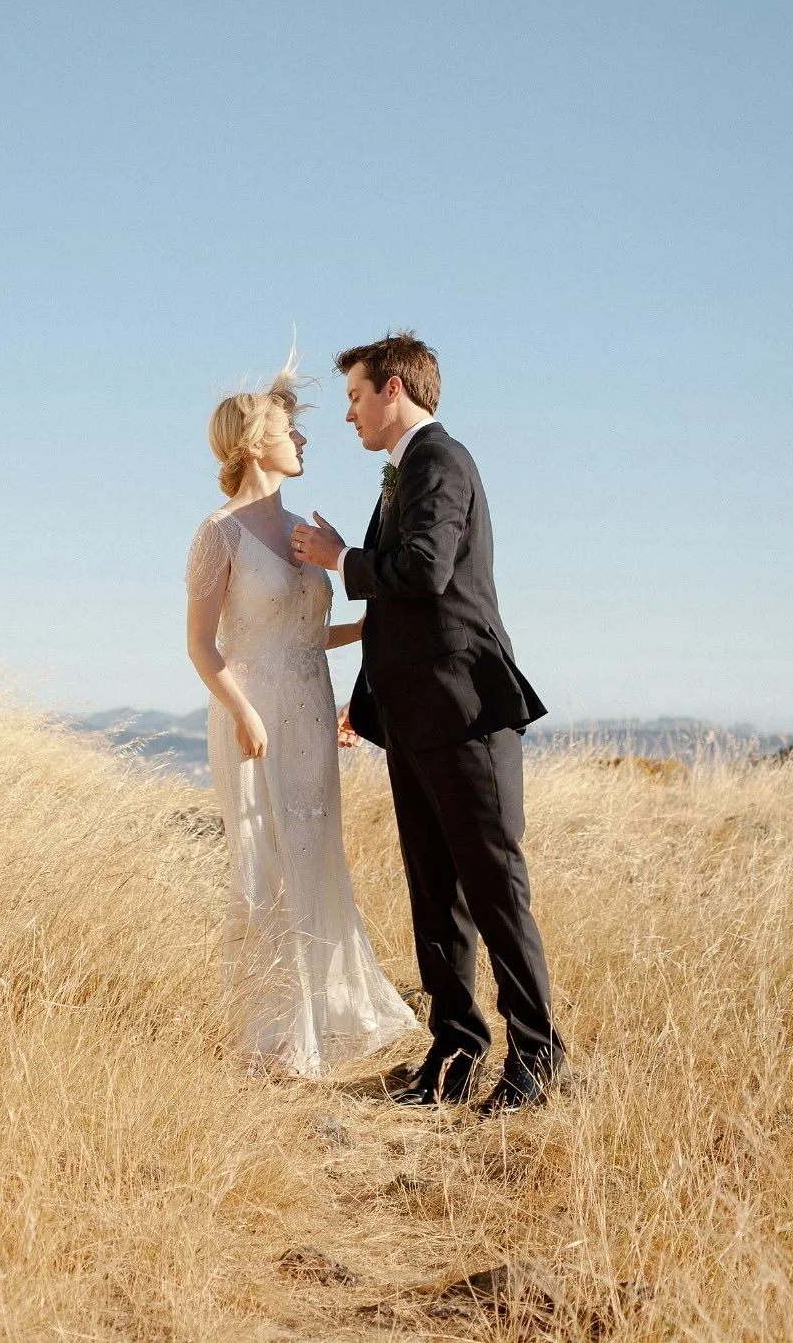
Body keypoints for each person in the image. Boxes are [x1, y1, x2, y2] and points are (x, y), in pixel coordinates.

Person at [292, 332, 566, 1114]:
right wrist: (365, 699)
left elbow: (424, 571)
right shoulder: (405, 471)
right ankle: (453, 1056)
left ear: (392, 389)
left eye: (353, 396)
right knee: (434, 893)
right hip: (417, 718)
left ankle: (538, 1062)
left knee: (493, 890)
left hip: (468, 715)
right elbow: (407, 616)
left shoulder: (440, 461)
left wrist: (341, 557)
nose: (347, 413)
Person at [184, 361, 417, 1079]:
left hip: (312, 710)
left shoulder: (301, 531)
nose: (304, 441)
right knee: (265, 863)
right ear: (256, 443)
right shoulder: (218, 534)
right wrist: (243, 714)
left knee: (316, 855)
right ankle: (272, 1034)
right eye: (289, 431)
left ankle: (321, 1018)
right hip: (253, 718)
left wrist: (377, 622)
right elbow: (201, 644)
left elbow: (310, 634)